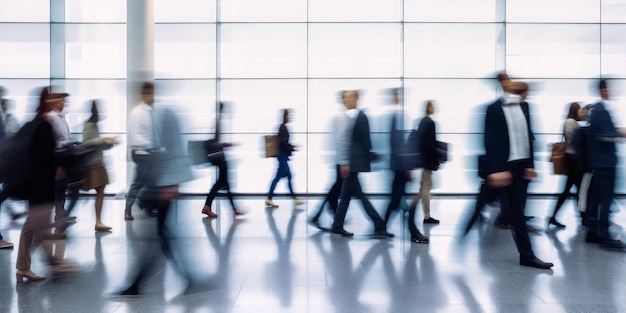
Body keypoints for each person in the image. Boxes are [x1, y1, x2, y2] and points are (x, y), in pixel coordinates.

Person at [482, 80, 553, 269]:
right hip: (500, 170)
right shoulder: (494, 109)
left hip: (518, 168)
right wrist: (498, 170)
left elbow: (527, 137)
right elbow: (491, 141)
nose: (524, 95)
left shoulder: (525, 107)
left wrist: (530, 165)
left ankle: (527, 255)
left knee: (518, 213)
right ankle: (460, 242)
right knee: (479, 206)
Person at [14, 87, 70, 282]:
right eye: (53, 97)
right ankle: (51, 262)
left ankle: (24, 266)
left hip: (36, 181)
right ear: (46, 100)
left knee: (32, 224)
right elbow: (46, 156)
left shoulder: (37, 122)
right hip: (41, 182)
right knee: (37, 225)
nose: (58, 101)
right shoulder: (45, 124)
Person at [331, 90, 393, 238]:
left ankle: (337, 225)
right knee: (358, 196)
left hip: (353, 163)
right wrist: (345, 163)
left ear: (357, 99)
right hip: (352, 164)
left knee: (347, 196)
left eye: (351, 97)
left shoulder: (354, 116)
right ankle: (378, 225)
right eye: (346, 97)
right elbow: (343, 141)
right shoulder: (346, 117)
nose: (348, 100)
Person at [584, 79, 626, 250]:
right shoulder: (600, 111)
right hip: (605, 162)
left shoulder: (598, 109)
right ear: (603, 90)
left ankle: (592, 231)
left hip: (599, 162)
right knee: (605, 199)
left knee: (595, 199)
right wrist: (620, 133)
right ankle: (604, 234)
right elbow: (605, 135)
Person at [64, 100, 118, 231]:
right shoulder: (89, 125)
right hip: (92, 165)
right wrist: (104, 140)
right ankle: (65, 218)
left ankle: (98, 221)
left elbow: (96, 144)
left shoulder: (94, 125)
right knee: (82, 193)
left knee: (100, 192)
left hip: (98, 163)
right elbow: (88, 142)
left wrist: (109, 143)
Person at [383, 88, 428, 243]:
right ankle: (413, 232)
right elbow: (399, 144)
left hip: (398, 165)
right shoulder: (399, 115)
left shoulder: (397, 115)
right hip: (402, 166)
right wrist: (407, 167)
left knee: (397, 200)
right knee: (411, 199)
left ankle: (382, 227)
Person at [308, 92, 349, 229]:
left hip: (339, 159)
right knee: (336, 189)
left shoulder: (342, 117)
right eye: (347, 98)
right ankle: (323, 215)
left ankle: (323, 215)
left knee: (336, 189)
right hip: (340, 160)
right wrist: (343, 161)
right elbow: (340, 139)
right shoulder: (341, 117)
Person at [201, 102, 244, 218]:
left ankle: (230, 209)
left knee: (224, 183)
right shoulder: (218, 122)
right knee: (222, 183)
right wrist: (226, 144)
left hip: (220, 156)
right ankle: (210, 207)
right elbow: (215, 143)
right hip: (219, 157)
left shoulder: (217, 121)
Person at [125, 82, 159, 221]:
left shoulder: (150, 111)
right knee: (138, 182)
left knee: (152, 181)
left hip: (150, 152)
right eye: (152, 94)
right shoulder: (137, 113)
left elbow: (153, 133)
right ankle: (128, 209)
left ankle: (147, 205)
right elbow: (134, 137)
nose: (154, 97)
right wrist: (150, 146)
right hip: (141, 153)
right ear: (145, 94)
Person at [548, 102, 583, 228]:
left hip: (571, 159)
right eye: (579, 110)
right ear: (575, 111)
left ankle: (553, 217)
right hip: (573, 160)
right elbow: (574, 142)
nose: (581, 112)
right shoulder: (571, 122)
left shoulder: (568, 122)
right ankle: (583, 219)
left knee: (573, 190)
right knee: (575, 190)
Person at [408, 100, 442, 225]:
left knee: (424, 187)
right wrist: (438, 154)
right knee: (426, 188)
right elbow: (430, 143)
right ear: (429, 108)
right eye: (433, 106)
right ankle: (426, 216)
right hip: (428, 160)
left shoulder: (422, 122)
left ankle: (412, 208)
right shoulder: (430, 122)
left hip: (423, 159)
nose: (435, 108)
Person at [265, 109, 304, 208]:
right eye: (288, 115)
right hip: (282, 156)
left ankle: (294, 198)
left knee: (289, 177)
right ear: (284, 116)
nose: (289, 117)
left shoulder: (282, 127)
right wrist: (291, 147)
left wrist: (290, 146)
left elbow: (282, 142)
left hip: (283, 156)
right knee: (278, 178)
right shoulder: (283, 128)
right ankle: (270, 198)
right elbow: (282, 143)